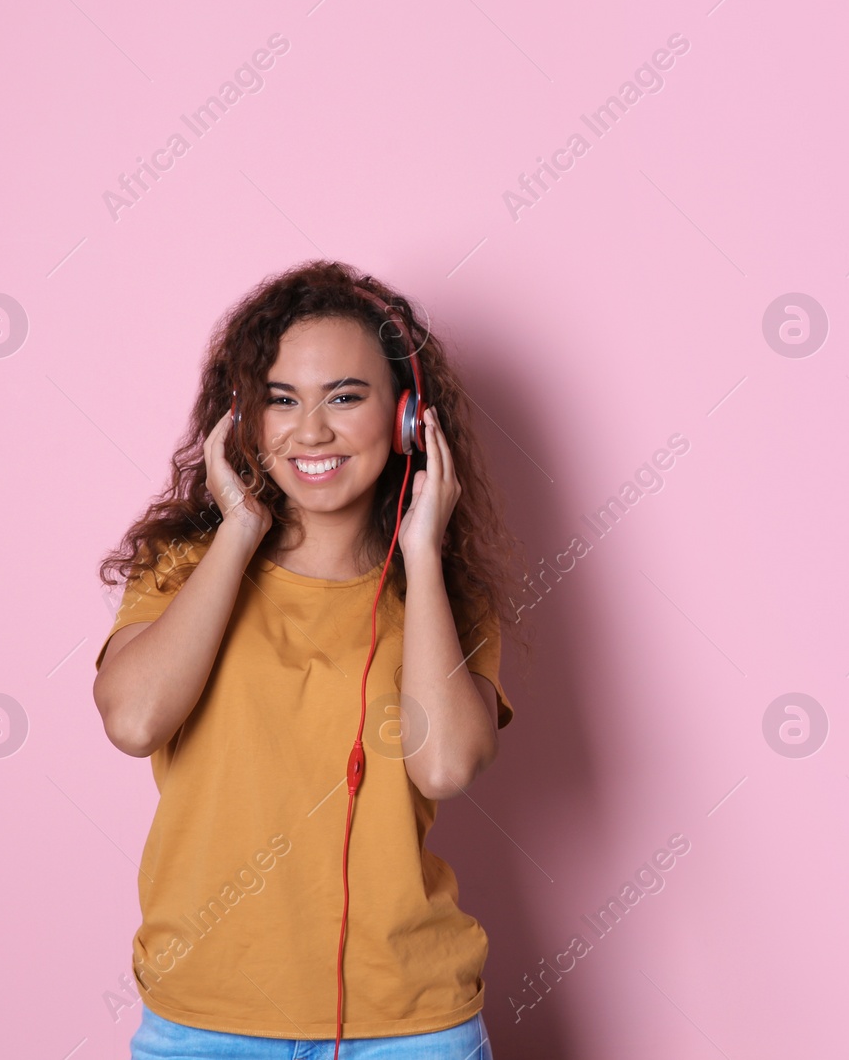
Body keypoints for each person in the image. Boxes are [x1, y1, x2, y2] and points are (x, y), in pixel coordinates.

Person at [92, 259, 528, 1059]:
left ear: (407, 419)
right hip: (203, 1019)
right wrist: (237, 530)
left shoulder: (443, 595)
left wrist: (423, 553)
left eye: (345, 396)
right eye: (281, 399)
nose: (311, 430)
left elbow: (445, 766)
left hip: (409, 1023)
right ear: (244, 419)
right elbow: (133, 716)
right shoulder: (184, 570)